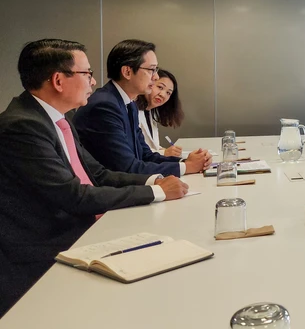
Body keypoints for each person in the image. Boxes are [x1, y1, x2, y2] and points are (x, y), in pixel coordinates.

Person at [0, 39, 190, 316]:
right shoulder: (23, 126)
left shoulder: (55, 119)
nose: (94, 81)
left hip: (78, 230)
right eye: (86, 74)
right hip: (42, 252)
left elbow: (97, 174)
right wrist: (157, 192)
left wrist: (155, 182)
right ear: (58, 80)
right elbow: (75, 196)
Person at [73, 40, 210, 177]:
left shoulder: (129, 104)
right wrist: (187, 167)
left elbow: (145, 155)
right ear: (127, 72)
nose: (155, 77)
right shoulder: (104, 106)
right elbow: (127, 168)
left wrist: (185, 162)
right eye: (151, 70)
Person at [136, 68, 184, 157]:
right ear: (150, 84)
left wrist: (164, 150)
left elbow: (152, 146)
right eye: (160, 87)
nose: (162, 94)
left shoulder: (152, 113)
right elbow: (136, 150)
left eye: (168, 93)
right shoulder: (133, 111)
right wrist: (164, 153)